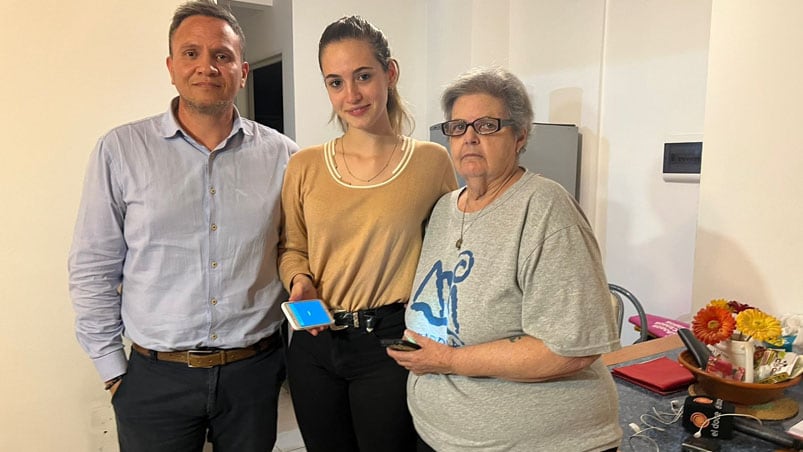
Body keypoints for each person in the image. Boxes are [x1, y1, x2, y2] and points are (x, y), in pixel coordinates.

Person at [68, 1, 298, 451]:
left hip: (253, 374)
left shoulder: (285, 156)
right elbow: (93, 267)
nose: (206, 67)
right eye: (191, 53)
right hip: (155, 380)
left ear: (243, 70)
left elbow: (294, 249)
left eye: (222, 55)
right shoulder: (120, 150)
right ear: (171, 67)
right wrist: (114, 371)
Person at [388, 66, 623, 452]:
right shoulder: (446, 209)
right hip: (441, 434)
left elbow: (569, 351)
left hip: (538, 441)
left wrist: (448, 360)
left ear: (520, 135)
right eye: (458, 127)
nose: (470, 138)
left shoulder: (545, 207)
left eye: (487, 125)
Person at [279, 15, 458, 452]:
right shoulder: (304, 165)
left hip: (390, 344)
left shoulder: (431, 163)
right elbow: (292, 247)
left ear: (389, 73)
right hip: (314, 345)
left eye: (363, 76)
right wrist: (300, 281)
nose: (352, 95)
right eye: (335, 82)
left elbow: (450, 254)